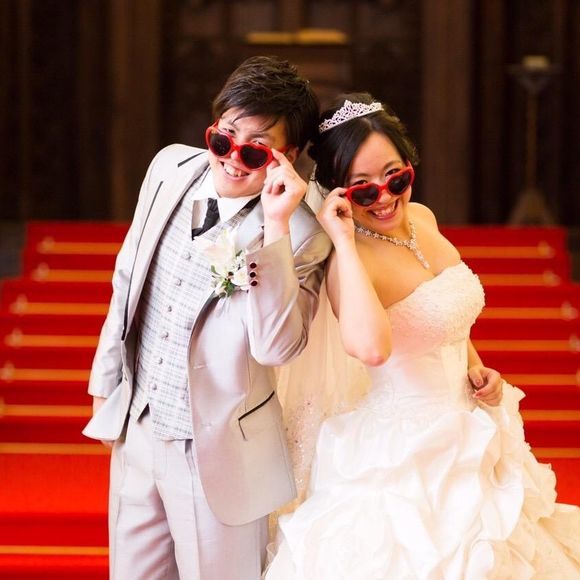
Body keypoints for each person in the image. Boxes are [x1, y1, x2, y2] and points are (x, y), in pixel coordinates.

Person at [264, 93, 580, 578]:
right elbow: (370, 349)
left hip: (473, 431)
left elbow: (450, 321)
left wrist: (476, 367)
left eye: (396, 177)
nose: (384, 197)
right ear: (337, 192)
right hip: (405, 453)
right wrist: (344, 242)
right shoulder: (350, 262)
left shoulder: (424, 219)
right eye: (363, 189)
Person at [82, 55, 332, 580]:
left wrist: (276, 228)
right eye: (224, 139)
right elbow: (128, 275)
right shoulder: (169, 168)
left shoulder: (304, 234)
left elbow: (276, 347)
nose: (233, 159)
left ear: (288, 158)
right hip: (139, 425)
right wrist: (106, 387)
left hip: (222, 455)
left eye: (256, 150)